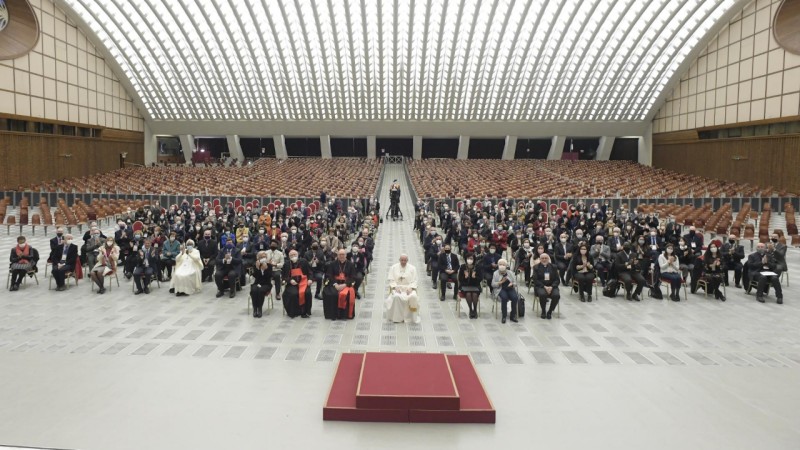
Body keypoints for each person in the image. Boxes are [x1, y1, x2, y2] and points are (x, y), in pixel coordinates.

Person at [385, 254, 420, 323]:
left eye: (405, 260)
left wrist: (411, 288)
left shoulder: (413, 268)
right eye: (402, 260)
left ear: (407, 260)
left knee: (413, 296)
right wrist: (395, 287)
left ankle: (411, 317)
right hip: (397, 288)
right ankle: (397, 318)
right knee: (396, 296)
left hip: (409, 288)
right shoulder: (393, 267)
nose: (403, 262)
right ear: (399, 260)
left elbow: (415, 280)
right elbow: (391, 280)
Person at [324, 249, 358, 320]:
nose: (342, 256)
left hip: (346, 284)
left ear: (346, 255)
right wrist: (335, 284)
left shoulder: (350, 264)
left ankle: (343, 315)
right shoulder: (333, 264)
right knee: (332, 294)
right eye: (340, 254)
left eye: (343, 254)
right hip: (335, 283)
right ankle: (333, 315)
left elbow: (353, 277)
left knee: (346, 294)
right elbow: (329, 275)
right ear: (337, 255)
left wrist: (345, 284)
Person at [283, 249, 312, 318]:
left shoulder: (304, 261)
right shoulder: (286, 264)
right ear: (289, 256)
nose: (293, 256)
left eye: (294, 255)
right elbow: (284, 276)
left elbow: (310, 272)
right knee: (293, 294)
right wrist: (289, 280)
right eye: (291, 255)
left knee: (307, 293)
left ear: (298, 255)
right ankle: (294, 312)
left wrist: (310, 279)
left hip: (303, 283)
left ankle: (305, 312)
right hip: (292, 284)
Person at [533, 254, 560, 319]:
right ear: (540, 259)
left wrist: (552, 287)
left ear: (548, 259)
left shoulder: (553, 267)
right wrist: (545, 287)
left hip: (552, 286)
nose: (544, 259)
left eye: (546, 258)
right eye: (542, 258)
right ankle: (543, 311)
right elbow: (536, 280)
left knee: (556, 295)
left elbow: (557, 280)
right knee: (542, 294)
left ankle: (550, 311)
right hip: (541, 286)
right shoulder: (536, 267)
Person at [491, 259, 519, 324]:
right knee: (504, 298)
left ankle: (513, 315)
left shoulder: (510, 273)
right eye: (500, 264)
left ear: (506, 266)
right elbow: (493, 284)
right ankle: (504, 316)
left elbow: (515, 283)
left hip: (510, 288)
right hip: (500, 289)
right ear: (498, 265)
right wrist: (501, 282)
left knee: (515, 298)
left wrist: (512, 284)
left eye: (503, 265)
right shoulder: (495, 273)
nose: (502, 266)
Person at [457, 252, 481, 319]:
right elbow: (460, 279)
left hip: (475, 286)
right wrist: (465, 277)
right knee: (468, 294)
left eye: (471, 258)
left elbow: (480, 278)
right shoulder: (463, 267)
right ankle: (470, 310)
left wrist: (474, 277)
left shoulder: (478, 267)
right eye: (468, 258)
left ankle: (475, 310)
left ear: (474, 260)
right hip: (465, 286)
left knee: (474, 294)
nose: (469, 260)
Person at [250, 251, 273, 318]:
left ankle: (259, 308)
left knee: (260, 291)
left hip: (266, 284)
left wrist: (264, 270)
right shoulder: (256, 265)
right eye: (262, 257)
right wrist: (258, 269)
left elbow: (269, 276)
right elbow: (255, 276)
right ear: (259, 258)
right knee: (254, 290)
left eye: (264, 257)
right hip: (257, 283)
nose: (263, 258)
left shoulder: (269, 265)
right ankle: (255, 309)